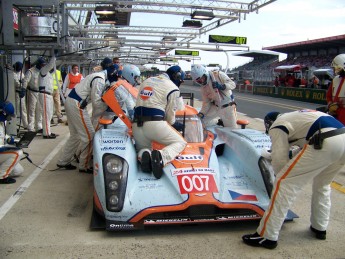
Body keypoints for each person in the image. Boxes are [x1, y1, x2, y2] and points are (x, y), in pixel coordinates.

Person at [242, 109, 345, 249]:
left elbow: (280, 161)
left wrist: (281, 175)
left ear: (268, 123)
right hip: (340, 140)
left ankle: (266, 236)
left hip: (324, 141)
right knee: (322, 185)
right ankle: (319, 227)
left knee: (283, 184)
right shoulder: (296, 117)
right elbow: (305, 149)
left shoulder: (277, 125)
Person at [56, 57, 114, 173]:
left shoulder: (98, 76)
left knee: (75, 135)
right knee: (89, 136)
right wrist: (108, 106)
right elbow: (97, 103)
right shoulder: (100, 79)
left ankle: (63, 161)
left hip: (71, 101)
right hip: (77, 104)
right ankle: (84, 165)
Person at [132, 65, 187, 179]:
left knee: (143, 148)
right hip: (154, 124)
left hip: (136, 124)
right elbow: (170, 117)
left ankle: (143, 156)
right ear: (176, 76)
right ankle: (161, 157)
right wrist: (175, 125)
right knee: (180, 143)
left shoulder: (147, 80)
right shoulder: (173, 88)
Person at [0, 101, 24, 184]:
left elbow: (2, 136)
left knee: (18, 171)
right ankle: (1, 177)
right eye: (8, 115)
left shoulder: (2, 122)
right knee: (18, 153)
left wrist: (10, 140)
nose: (9, 118)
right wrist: (8, 148)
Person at [23, 57, 44, 133]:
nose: (42, 66)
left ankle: (39, 126)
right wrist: (23, 89)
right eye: (41, 64)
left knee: (39, 109)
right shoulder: (31, 71)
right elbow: (25, 81)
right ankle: (31, 127)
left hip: (40, 92)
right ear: (38, 64)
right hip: (32, 92)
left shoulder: (42, 71)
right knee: (31, 110)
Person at [38, 54, 57, 139]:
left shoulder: (47, 72)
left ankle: (47, 131)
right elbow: (50, 65)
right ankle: (46, 134)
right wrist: (54, 57)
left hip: (48, 94)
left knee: (49, 113)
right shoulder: (43, 70)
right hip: (45, 94)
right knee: (46, 114)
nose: (44, 65)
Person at [326, 53, 345, 125]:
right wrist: (331, 105)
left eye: (335, 67)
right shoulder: (335, 79)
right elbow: (329, 96)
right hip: (334, 114)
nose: (334, 70)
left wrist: (339, 105)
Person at [13, 61, 28, 130]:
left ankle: (26, 124)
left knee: (23, 109)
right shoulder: (13, 74)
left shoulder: (21, 73)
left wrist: (22, 83)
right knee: (15, 110)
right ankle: (14, 125)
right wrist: (21, 83)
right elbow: (16, 83)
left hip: (21, 92)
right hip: (16, 93)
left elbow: (24, 81)